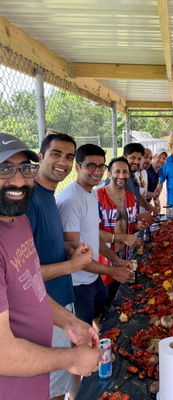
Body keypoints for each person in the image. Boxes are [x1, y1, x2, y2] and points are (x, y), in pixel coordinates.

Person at [0, 133, 103, 400]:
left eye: (25, 169)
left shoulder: (18, 218)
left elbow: (32, 285)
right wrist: (70, 357)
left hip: (36, 368)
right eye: (4, 169)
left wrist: (70, 322)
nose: (18, 180)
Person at [26, 132, 94, 400]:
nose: (62, 162)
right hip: (44, 309)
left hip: (62, 302)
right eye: (56, 154)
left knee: (69, 375)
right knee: (51, 387)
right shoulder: (29, 200)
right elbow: (23, 274)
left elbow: (41, 250)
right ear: (41, 156)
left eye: (68, 156)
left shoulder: (48, 195)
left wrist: (69, 250)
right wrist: (72, 265)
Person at [56, 144, 133, 328]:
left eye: (101, 166)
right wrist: (114, 271)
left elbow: (93, 236)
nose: (97, 171)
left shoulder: (91, 194)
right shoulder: (70, 200)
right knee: (82, 332)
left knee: (101, 319)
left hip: (93, 276)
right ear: (77, 167)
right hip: (77, 284)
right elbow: (73, 254)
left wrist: (116, 260)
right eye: (91, 165)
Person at [97, 157, 145, 299]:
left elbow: (128, 227)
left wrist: (138, 226)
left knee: (123, 298)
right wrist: (123, 237)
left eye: (125, 172)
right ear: (109, 174)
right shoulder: (97, 197)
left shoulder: (131, 198)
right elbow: (91, 232)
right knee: (104, 300)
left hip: (125, 257)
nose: (122, 176)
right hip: (103, 259)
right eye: (117, 171)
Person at [134, 147, 152, 214]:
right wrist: (148, 206)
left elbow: (143, 192)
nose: (148, 160)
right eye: (145, 157)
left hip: (143, 214)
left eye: (150, 158)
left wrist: (154, 195)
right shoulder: (131, 174)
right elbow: (135, 195)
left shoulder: (145, 172)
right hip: (134, 216)